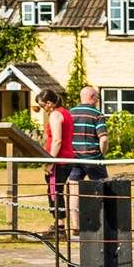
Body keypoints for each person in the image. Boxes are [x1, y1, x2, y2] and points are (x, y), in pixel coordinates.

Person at [37, 89, 75, 227]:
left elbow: (57, 140)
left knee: (54, 192)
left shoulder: (55, 115)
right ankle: (59, 224)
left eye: (42, 106)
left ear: (49, 103)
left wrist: (51, 162)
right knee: (56, 191)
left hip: (59, 160)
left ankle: (59, 226)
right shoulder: (65, 112)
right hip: (66, 158)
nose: (43, 109)